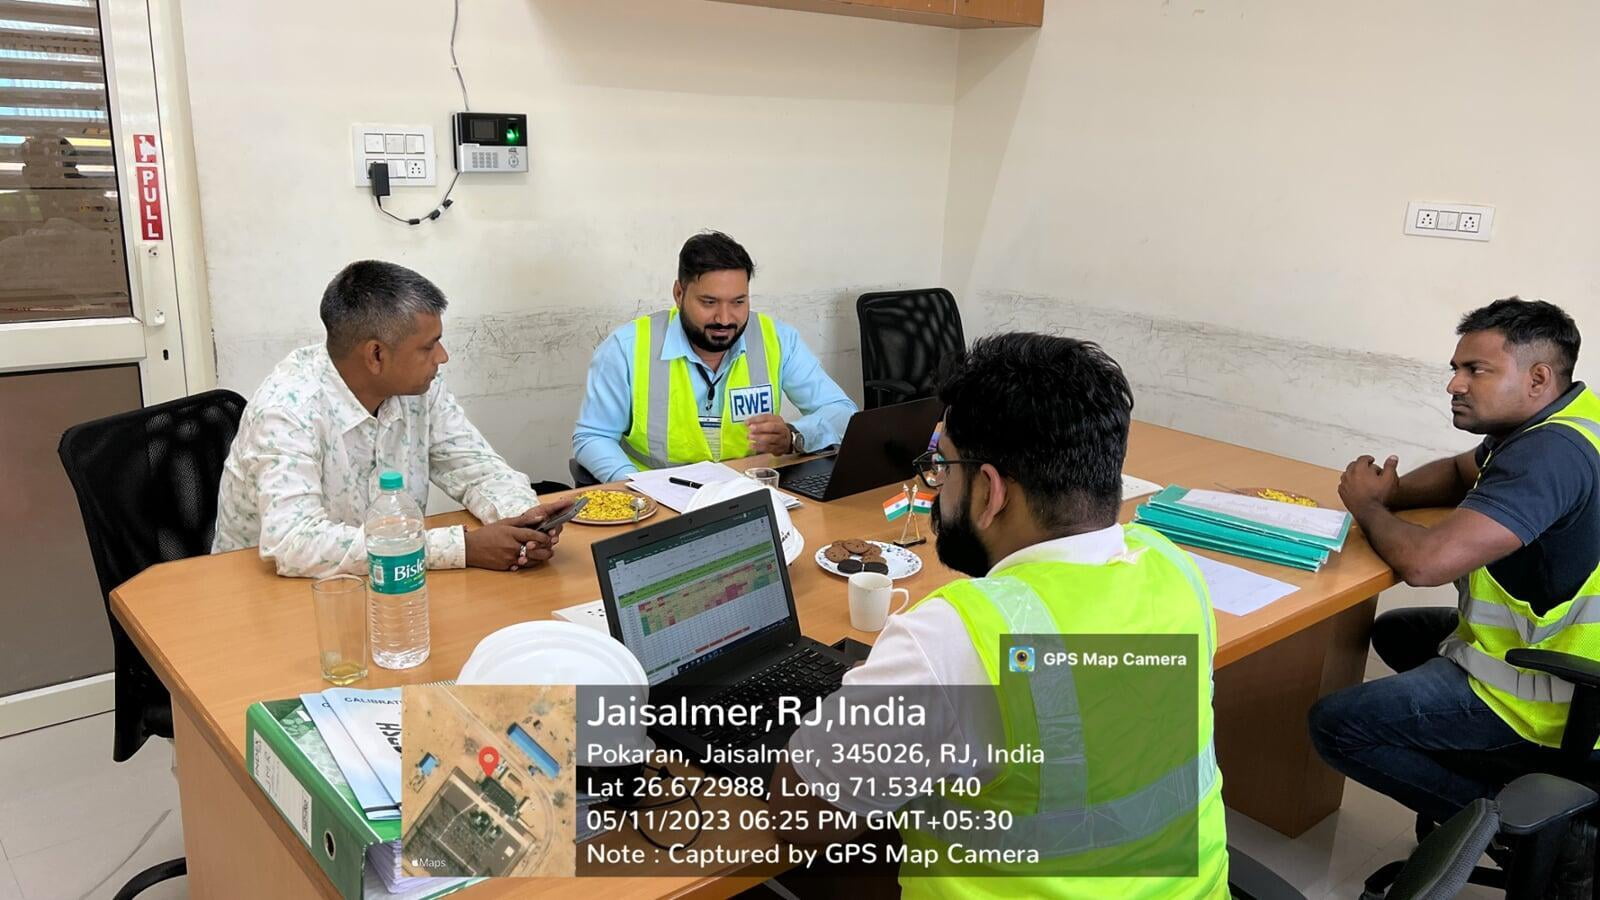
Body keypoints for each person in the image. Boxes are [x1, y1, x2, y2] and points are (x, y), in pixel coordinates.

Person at [769, 333, 1229, 898]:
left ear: (990, 491)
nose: (938, 487)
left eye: (943, 466)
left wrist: (883, 697)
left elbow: (798, 817)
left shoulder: (956, 637)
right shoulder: (1174, 567)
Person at [1311, 297, 1599, 827]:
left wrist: (1369, 507)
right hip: (1555, 654)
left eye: (1475, 370)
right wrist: (1394, 493)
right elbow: (1461, 472)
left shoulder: (1549, 455)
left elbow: (1427, 565)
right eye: (1456, 368)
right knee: (1396, 632)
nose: (1454, 385)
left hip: (1553, 697)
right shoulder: (1566, 421)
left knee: (1336, 724)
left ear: (1537, 378)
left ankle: (1507, 825)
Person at [214, 260, 571, 578]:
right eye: (428, 346)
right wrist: (462, 548)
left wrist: (525, 522)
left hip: (391, 584)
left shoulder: (420, 390)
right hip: (265, 597)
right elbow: (293, 542)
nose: (442, 357)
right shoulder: (287, 411)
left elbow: (477, 469)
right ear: (376, 355)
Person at [571, 231, 857, 483]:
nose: (724, 318)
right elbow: (593, 437)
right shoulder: (627, 348)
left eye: (738, 302)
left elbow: (842, 412)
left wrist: (795, 436)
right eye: (709, 302)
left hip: (751, 495)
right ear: (679, 294)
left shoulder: (778, 339)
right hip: (659, 503)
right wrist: (637, 487)